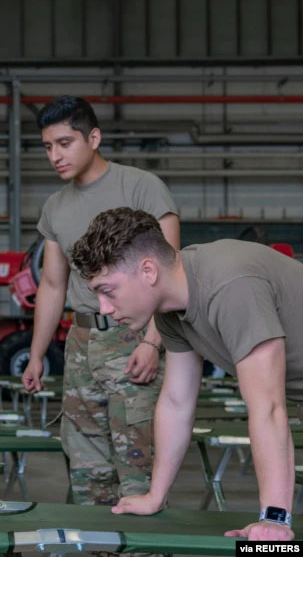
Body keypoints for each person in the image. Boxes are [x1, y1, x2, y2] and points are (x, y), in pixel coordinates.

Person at [70, 208, 301, 541]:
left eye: (107, 290)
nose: (104, 308)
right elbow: (177, 402)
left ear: (148, 270)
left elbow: (269, 407)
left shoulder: (230, 286)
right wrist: (155, 496)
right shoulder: (171, 311)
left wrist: (275, 518)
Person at [21, 95, 180, 506]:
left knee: (137, 463)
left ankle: (142, 562)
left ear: (94, 137)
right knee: (87, 468)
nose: (55, 156)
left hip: (134, 339)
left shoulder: (142, 187)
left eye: (64, 143)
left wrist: (152, 343)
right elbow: (53, 286)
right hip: (81, 344)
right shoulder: (55, 207)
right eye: (47, 147)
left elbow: (170, 274)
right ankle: (99, 563)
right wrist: (38, 354)